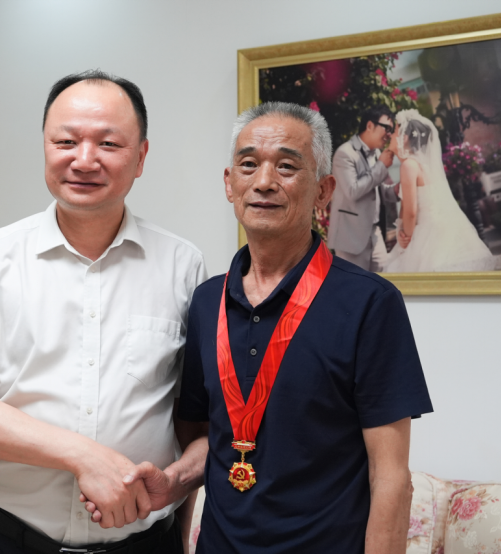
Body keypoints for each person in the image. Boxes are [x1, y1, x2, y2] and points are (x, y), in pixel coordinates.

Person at [89, 102, 433, 553]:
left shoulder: (370, 302)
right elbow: (205, 438)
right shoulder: (206, 300)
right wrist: (174, 484)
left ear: (324, 190)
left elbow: (390, 476)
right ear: (229, 184)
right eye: (248, 164)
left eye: (287, 166)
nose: (265, 181)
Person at [0, 70, 207, 554]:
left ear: (141, 157)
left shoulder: (182, 266)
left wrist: (178, 511)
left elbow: (193, 421)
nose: (84, 160)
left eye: (108, 143)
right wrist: (83, 457)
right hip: (12, 541)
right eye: (66, 141)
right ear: (45, 147)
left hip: (144, 545)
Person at [383, 109, 495, 273]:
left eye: (394, 132)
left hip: (426, 234)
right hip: (442, 230)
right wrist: (401, 229)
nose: (390, 135)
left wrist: (405, 240)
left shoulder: (408, 166)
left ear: (404, 138)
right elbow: (407, 206)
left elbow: (411, 212)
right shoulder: (423, 166)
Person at [328, 105, 400, 271]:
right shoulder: (344, 153)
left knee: (384, 278)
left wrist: (396, 191)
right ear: (369, 125)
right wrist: (381, 166)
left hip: (375, 232)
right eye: (386, 128)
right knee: (355, 284)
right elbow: (353, 191)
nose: (389, 134)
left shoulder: (376, 154)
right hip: (350, 236)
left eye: (391, 130)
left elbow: (379, 190)